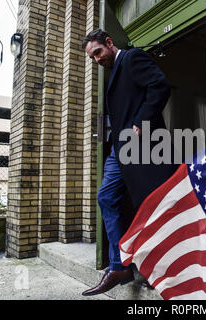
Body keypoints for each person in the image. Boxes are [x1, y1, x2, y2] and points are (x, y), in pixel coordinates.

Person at [81, 29, 178, 296]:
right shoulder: (113, 71)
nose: (97, 60)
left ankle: (159, 267)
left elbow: (160, 86)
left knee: (150, 206)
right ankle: (120, 265)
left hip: (143, 146)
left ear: (109, 43)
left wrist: (140, 124)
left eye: (98, 52)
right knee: (106, 198)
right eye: (93, 58)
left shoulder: (133, 58)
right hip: (119, 150)